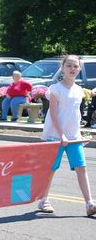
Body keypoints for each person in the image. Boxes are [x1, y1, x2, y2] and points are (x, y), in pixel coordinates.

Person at [37, 55, 96, 216]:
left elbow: (76, 111)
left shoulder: (78, 90)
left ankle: (89, 203)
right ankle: (43, 200)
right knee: (50, 169)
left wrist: (79, 134)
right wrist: (61, 135)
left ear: (79, 69)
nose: (72, 69)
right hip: (54, 136)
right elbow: (54, 114)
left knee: (81, 168)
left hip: (74, 137)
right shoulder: (56, 89)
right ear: (62, 68)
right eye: (69, 65)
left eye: (75, 66)